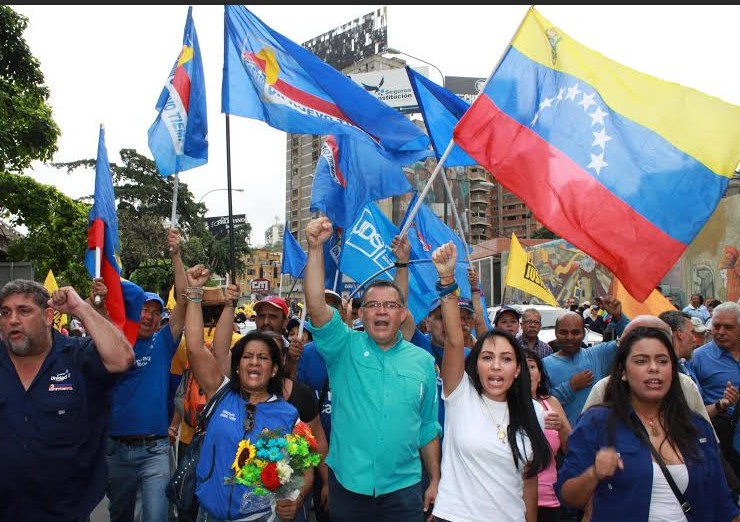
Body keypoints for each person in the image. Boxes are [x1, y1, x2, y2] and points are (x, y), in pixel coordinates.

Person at [304, 216, 441, 521]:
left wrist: (434, 478)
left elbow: (428, 428)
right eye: (373, 305)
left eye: (390, 306)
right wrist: (315, 249)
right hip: (348, 487)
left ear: (403, 313)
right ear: (360, 314)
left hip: (405, 490)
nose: (381, 311)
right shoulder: (343, 347)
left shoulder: (422, 362)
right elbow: (315, 305)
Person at [557, 326, 740, 521]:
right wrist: (593, 474)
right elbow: (569, 496)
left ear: (672, 371)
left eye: (662, 361)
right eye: (641, 361)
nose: (654, 368)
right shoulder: (597, 422)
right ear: (623, 372)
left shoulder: (696, 426)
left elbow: (723, 502)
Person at [430, 241, 550, 522]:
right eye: (487, 358)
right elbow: (454, 339)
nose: (496, 366)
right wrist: (448, 281)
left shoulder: (535, 412)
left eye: (506, 359)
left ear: (519, 369)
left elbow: (529, 484)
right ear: (475, 364)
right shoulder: (460, 394)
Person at [181, 264, 308, 522]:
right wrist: (194, 293)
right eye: (247, 356)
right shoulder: (220, 394)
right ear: (237, 366)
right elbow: (194, 348)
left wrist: (296, 499)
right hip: (209, 516)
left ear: (274, 369)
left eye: (262, 358)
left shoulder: (289, 415)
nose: (253, 363)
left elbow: (303, 469)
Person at [0, 279, 133, 521]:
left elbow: (122, 359)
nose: (13, 320)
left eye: (24, 311)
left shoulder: (78, 357)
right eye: (5, 312)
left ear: (49, 316)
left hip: (66, 513)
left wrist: (81, 308)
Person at [105, 228, 187, 522]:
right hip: (115, 450)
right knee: (120, 515)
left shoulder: (163, 342)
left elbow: (185, 300)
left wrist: (176, 254)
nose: (150, 316)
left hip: (155, 450)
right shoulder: (112, 343)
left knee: (156, 516)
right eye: (143, 309)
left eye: (156, 311)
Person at [542, 297, 626, 426]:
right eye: (564, 332)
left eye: (575, 332)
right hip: (563, 440)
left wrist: (619, 317)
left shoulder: (598, 354)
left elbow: (634, 339)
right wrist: (570, 387)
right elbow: (540, 405)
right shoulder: (543, 365)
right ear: (556, 333)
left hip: (598, 438)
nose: (569, 337)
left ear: (583, 333)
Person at [689, 301, 740, 481]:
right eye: (716, 326)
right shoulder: (697, 358)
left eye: (728, 327)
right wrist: (722, 405)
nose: (720, 332)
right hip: (717, 440)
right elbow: (692, 407)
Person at [524, 348, 571, 522]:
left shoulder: (551, 403)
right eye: (521, 367)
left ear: (540, 374)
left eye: (531, 367)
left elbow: (570, 449)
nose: (527, 373)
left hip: (549, 498)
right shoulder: (504, 405)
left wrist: (562, 428)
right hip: (513, 497)